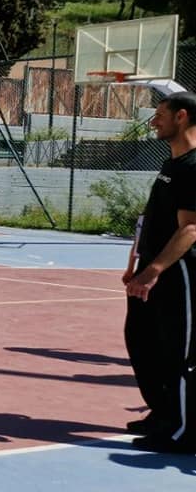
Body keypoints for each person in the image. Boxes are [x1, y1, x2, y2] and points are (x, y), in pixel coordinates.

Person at [122, 91, 196, 454]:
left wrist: (153, 270)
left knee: (177, 353)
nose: (154, 121)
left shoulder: (195, 166)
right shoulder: (171, 164)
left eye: (160, 115)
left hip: (177, 272)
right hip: (150, 268)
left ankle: (183, 431)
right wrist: (137, 265)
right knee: (142, 342)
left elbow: (191, 229)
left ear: (181, 117)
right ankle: (163, 414)